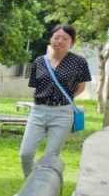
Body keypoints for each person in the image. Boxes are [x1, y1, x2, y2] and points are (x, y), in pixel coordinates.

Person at [19, 24, 91, 177]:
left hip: (62, 113)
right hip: (38, 111)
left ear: (72, 42)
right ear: (51, 39)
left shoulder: (79, 62)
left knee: (50, 157)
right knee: (26, 153)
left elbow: (81, 87)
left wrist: (64, 99)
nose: (60, 41)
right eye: (56, 37)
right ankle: (30, 188)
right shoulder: (39, 61)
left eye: (65, 38)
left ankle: (43, 192)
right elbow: (35, 85)